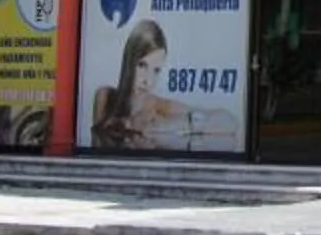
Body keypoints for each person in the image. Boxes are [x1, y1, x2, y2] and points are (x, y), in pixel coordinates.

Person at [89, 18, 240, 152]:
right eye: (142, 65)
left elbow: (230, 122)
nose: (147, 80)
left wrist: (165, 127)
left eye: (156, 71)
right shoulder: (105, 96)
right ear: (130, 62)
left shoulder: (158, 107)